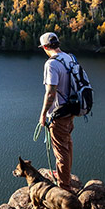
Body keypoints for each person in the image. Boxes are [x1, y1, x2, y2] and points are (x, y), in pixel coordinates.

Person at [38, 32, 76, 192]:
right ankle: (65, 176)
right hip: (71, 108)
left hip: (58, 113)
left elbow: (51, 92)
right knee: (67, 144)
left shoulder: (51, 64)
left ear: (45, 47)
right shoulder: (69, 57)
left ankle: (64, 187)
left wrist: (43, 114)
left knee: (60, 150)